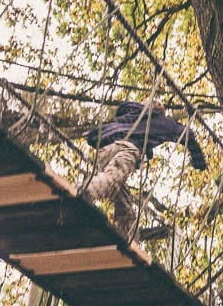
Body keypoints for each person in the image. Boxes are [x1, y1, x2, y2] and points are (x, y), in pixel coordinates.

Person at [78, 100, 207, 236]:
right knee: (112, 180)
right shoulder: (158, 120)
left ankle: (128, 239)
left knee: (126, 206)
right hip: (128, 149)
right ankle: (85, 191)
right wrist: (199, 162)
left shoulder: (128, 118)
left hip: (105, 152)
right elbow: (187, 133)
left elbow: (94, 136)